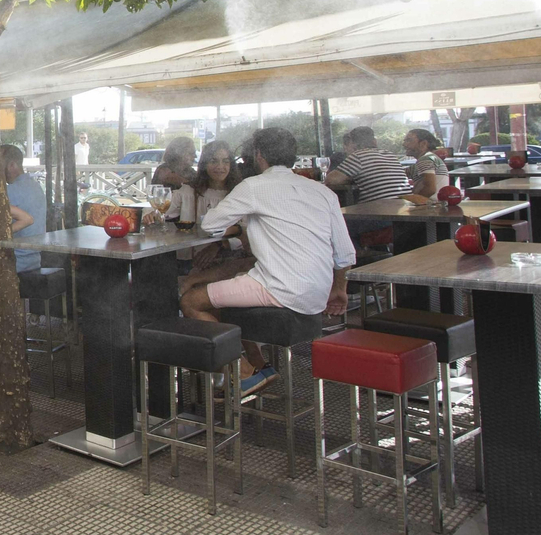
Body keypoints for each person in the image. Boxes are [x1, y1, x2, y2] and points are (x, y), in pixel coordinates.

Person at [182, 128, 355, 395]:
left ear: (259, 155)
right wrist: (339, 288)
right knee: (232, 283)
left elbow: (212, 225)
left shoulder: (253, 187)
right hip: (318, 294)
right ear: (293, 157)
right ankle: (260, 366)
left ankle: (241, 374)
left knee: (192, 300)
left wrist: (237, 227)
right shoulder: (322, 192)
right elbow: (344, 252)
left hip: (280, 289)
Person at [169, 140, 253, 291]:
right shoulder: (189, 191)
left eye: (225, 161)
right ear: (204, 164)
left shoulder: (239, 193)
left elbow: (247, 231)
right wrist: (153, 215)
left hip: (227, 261)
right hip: (190, 260)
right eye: (213, 161)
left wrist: (218, 245)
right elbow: (165, 212)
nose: (220, 167)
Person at [324, 126, 415, 203]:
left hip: (379, 213)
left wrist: (349, 178)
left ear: (354, 143)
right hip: (405, 206)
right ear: (374, 141)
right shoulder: (389, 154)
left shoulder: (358, 156)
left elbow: (330, 180)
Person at [0, 144, 44, 274]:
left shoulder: (9, 191)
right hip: (35, 260)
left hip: (15, 263)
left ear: (12, 165)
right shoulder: (36, 186)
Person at [404, 128, 449, 200]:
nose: (404, 144)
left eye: (409, 140)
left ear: (423, 144)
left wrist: (411, 201)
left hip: (430, 207)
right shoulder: (428, 158)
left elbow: (430, 189)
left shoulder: (426, 160)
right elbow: (402, 173)